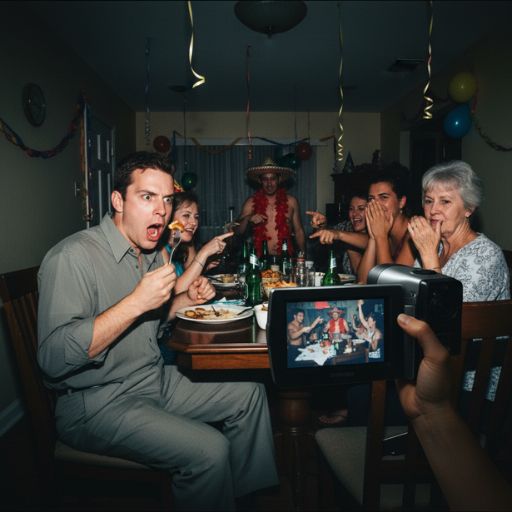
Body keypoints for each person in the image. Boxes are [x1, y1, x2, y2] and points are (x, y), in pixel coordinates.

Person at [37, 151, 279, 511]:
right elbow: (53, 360)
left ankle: (243, 498)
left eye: (166, 200)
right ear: (118, 200)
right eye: (147, 197)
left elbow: (155, 322)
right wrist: (136, 301)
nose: (161, 211)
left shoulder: (150, 254)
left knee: (250, 394)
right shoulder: (72, 257)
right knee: (210, 450)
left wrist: (186, 299)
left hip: (152, 380)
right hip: (96, 403)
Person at [396, 314, 512, 511]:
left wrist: (430, 410)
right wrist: (430, 409)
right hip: (493, 407)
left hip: (465, 401)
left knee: (356, 398)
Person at [396, 160, 510, 301]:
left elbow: (445, 312)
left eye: (445, 201)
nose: (433, 210)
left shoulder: (487, 255)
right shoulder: (434, 245)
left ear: (469, 208)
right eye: (429, 201)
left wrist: (429, 255)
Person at [161, 191, 234, 293]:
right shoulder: (160, 249)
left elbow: (191, 282)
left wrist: (204, 266)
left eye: (196, 217)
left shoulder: (186, 245)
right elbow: (176, 291)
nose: (194, 222)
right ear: (169, 218)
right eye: (186, 215)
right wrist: (204, 253)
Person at [234, 157, 306, 257]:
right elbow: (237, 231)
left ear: (279, 179)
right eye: (265, 179)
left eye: (273, 179)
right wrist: (248, 218)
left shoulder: (291, 202)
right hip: (260, 258)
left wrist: (303, 256)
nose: (269, 183)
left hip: (285, 257)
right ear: (260, 181)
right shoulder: (251, 202)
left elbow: (299, 231)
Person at [357, 166, 411, 283]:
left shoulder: (413, 233)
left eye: (383, 197)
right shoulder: (384, 233)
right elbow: (362, 282)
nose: (376, 205)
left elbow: (391, 285)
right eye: (371, 199)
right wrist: (373, 237)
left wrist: (380, 236)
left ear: (401, 202)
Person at [307, 190, 368, 275]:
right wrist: (322, 225)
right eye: (351, 209)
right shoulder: (347, 226)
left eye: (361, 208)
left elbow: (370, 241)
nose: (354, 214)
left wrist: (339, 235)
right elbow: (329, 232)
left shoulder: (378, 231)